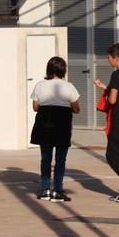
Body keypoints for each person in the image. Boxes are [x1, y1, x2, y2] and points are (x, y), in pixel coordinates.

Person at [30, 56, 80, 202]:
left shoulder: (40, 85)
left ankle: (45, 189)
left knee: (45, 158)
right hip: (62, 124)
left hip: (44, 122)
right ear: (63, 70)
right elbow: (76, 109)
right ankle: (58, 190)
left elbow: (35, 107)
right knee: (60, 159)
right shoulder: (69, 86)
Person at [97, 42, 119, 202]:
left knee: (112, 154)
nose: (109, 60)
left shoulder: (117, 74)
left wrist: (107, 95)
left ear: (115, 58)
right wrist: (105, 87)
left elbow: (113, 99)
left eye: (109, 58)